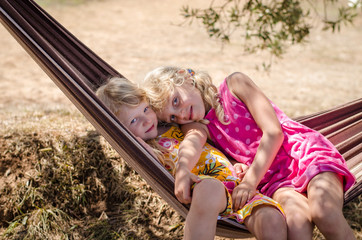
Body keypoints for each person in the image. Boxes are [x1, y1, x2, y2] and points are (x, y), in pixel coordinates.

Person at [142, 66, 357, 240]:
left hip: (304, 156)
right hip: (275, 182)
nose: (180, 115)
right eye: (172, 117)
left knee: (324, 213)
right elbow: (191, 144)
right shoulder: (200, 126)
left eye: (176, 101)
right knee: (296, 227)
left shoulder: (235, 84)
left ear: (185, 77)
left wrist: (248, 183)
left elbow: (274, 133)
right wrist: (183, 170)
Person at [96, 76, 287, 240]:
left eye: (145, 109)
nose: (146, 120)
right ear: (120, 131)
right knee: (210, 189)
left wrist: (235, 164)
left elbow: (200, 140)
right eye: (134, 120)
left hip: (240, 190)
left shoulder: (180, 125)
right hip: (206, 189)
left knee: (273, 220)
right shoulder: (143, 149)